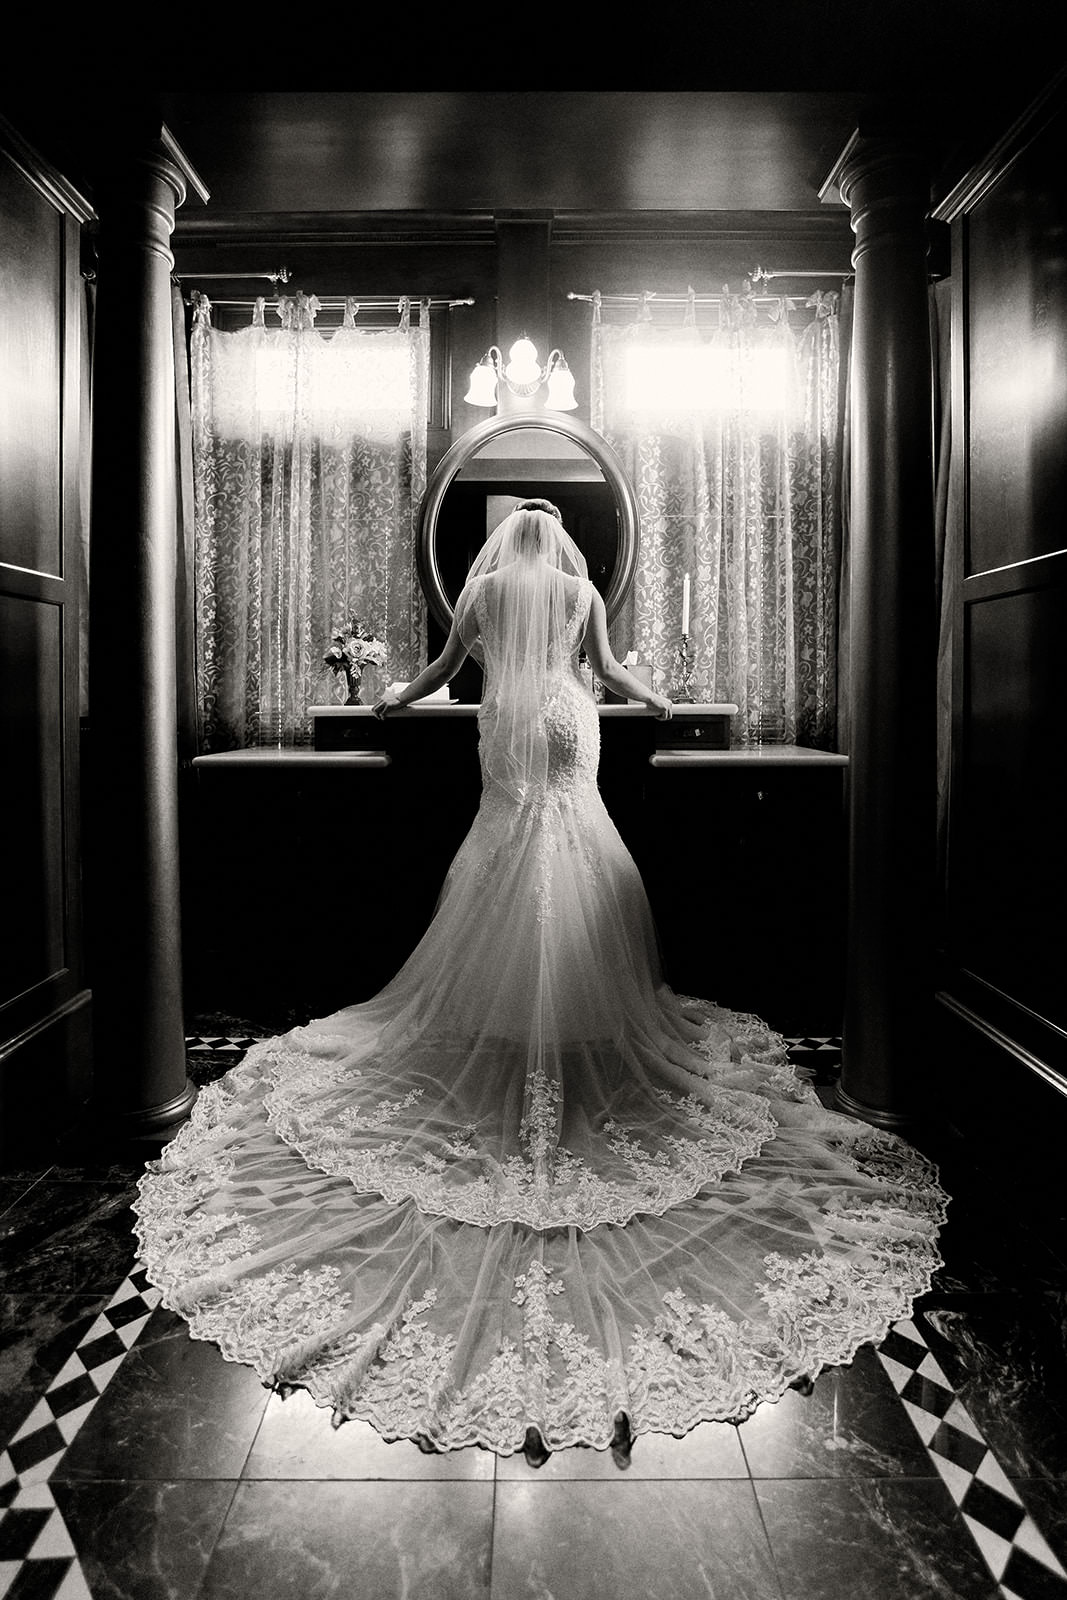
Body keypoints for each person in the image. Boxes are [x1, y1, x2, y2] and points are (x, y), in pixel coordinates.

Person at [133, 498, 947, 1468]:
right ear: (555, 541)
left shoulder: (479, 589)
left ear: (498, 541)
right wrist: (650, 701)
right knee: (576, 853)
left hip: (509, 723)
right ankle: (576, 1030)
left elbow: (436, 679)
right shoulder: (576, 586)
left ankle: (510, 1031)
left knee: (502, 859)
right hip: (565, 720)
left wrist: (390, 700)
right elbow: (607, 674)